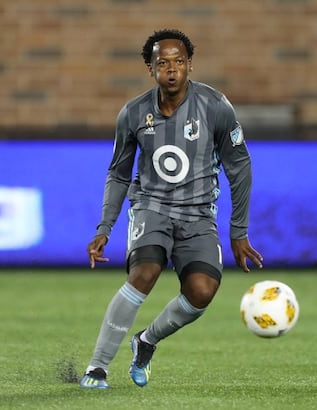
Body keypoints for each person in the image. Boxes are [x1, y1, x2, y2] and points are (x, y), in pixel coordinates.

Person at [79, 28, 263, 390]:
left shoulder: (215, 106)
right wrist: (105, 227)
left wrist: (238, 231)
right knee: (145, 272)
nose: (172, 69)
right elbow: (118, 174)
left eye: (179, 61)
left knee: (202, 290)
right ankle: (97, 367)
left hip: (198, 214)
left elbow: (239, 167)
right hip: (151, 206)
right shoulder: (133, 114)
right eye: (163, 62)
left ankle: (146, 341)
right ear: (151, 68)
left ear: (190, 65)